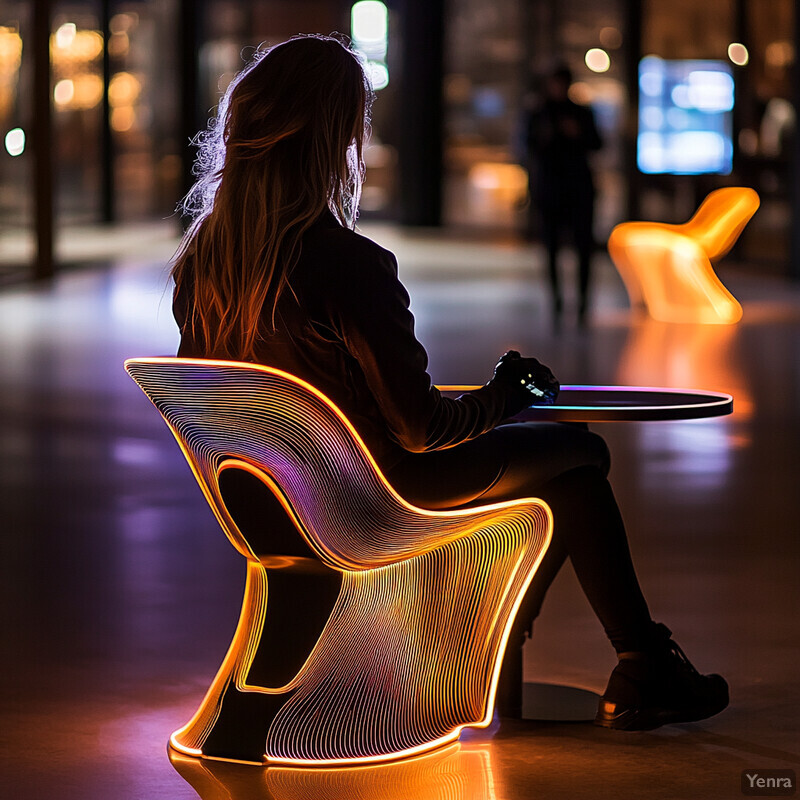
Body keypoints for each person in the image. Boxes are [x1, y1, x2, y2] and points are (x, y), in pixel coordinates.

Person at [171, 35, 728, 730]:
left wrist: (495, 405)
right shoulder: (347, 264)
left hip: (272, 508)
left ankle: (620, 660)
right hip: (378, 498)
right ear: (334, 136)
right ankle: (630, 663)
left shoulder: (203, 270)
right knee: (581, 456)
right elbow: (421, 431)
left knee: (566, 456)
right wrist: (507, 395)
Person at [526, 66, 602, 324]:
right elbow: (526, 146)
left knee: (583, 248)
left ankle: (582, 302)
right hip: (551, 189)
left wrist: (576, 134)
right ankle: (556, 301)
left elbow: (598, 143)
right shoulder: (538, 114)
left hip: (578, 188)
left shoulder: (580, 112)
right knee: (551, 249)